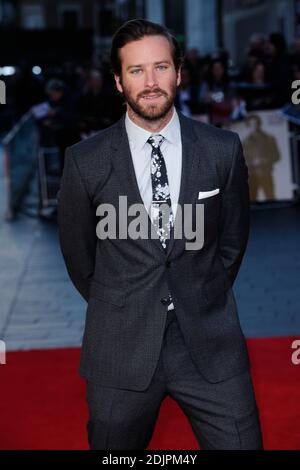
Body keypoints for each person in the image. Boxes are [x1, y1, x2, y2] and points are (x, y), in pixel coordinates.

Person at [57, 19, 263, 450]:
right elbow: (80, 259)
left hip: (210, 341)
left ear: (179, 72)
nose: (150, 82)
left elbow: (232, 242)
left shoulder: (222, 149)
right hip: (120, 348)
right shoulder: (84, 162)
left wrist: (202, 291)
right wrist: (122, 300)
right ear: (117, 80)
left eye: (161, 67)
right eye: (136, 71)